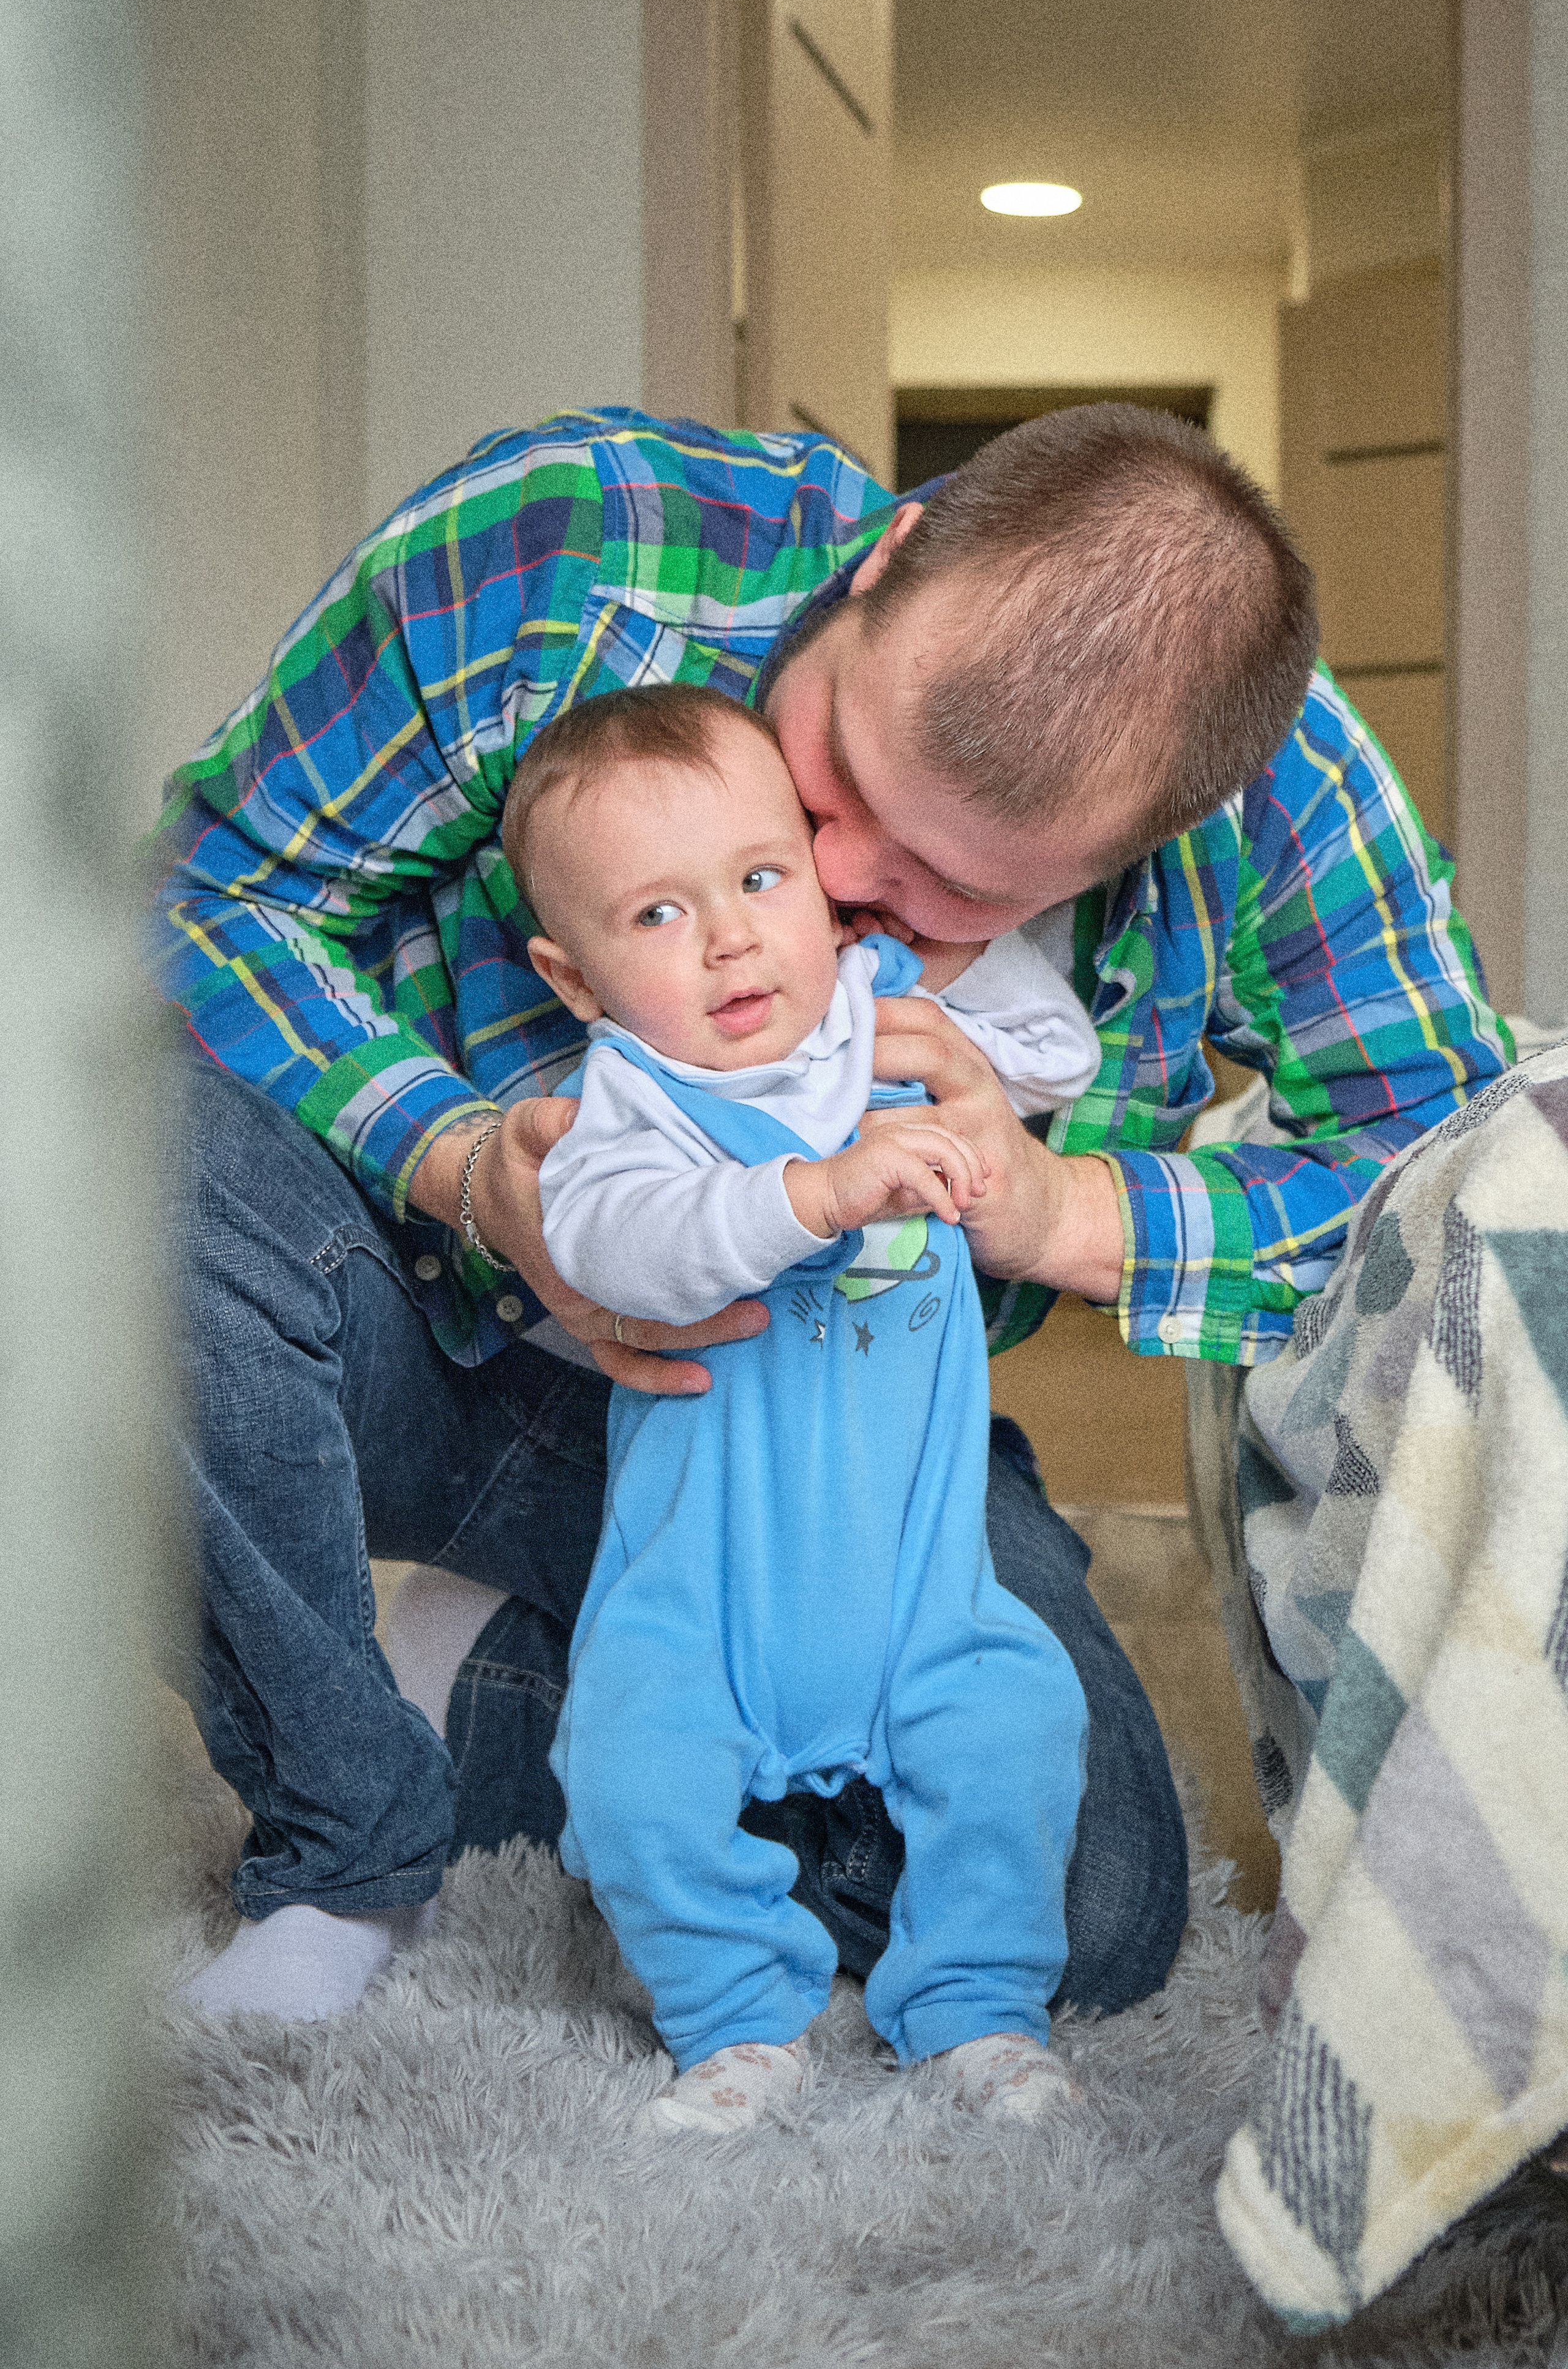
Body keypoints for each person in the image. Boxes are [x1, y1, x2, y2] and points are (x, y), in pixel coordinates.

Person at [149, 401, 1509, 2024]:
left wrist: (1060, 1207)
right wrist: (459, 1163)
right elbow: (201, 894)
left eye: (964, 891)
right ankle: (346, 1831)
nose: (843, 881)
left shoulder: (1271, 791)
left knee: (1088, 1911)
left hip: (843, 1467)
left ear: (1142, 844)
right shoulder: (577, 545)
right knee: (113, 1150)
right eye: (843, 777)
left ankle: (513, 1677)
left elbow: (1441, 1156)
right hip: (425, 1338)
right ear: (889, 557)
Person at [509, 685, 1099, 2133]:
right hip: (698, 1603)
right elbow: (619, 1250)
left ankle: (977, 2010)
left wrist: (941, 989)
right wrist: (814, 1193)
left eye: (760, 880)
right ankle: (733, 2019)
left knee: (1021, 1725)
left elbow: (1060, 1049)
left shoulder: (886, 1020)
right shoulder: (625, 1109)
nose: (727, 939)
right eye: (656, 914)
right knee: (627, 1772)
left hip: (919, 1586)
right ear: (574, 979)